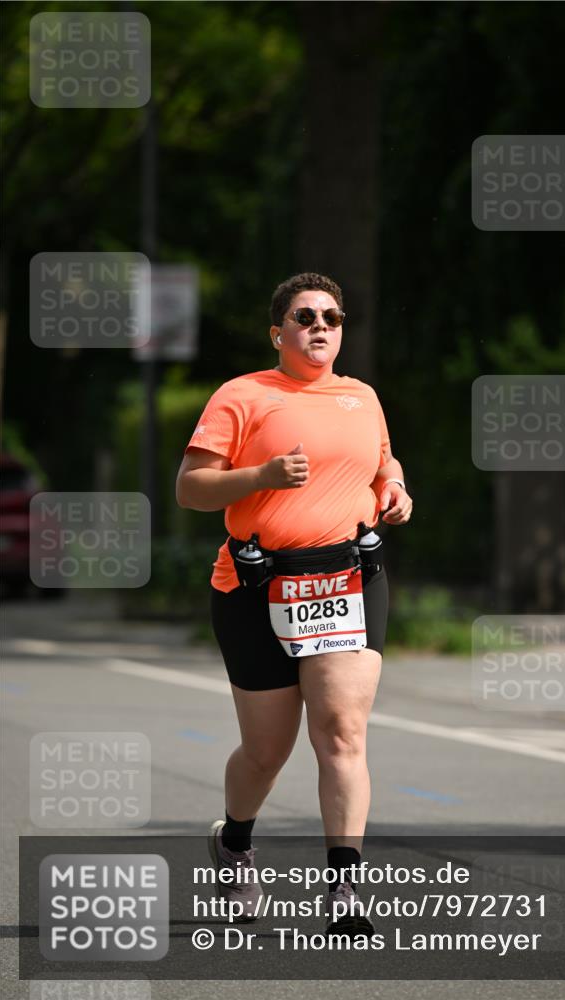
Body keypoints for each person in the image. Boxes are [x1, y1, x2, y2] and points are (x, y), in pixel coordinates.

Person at [176, 272, 412, 936]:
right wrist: (263, 476)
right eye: (305, 316)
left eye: (332, 317)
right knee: (265, 752)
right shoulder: (243, 395)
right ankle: (234, 841)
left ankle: (342, 893)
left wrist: (397, 491)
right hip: (256, 587)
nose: (320, 326)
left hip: (346, 581)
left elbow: (383, 464)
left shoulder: (360, 397)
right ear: (277, 331)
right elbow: (191, 489)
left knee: (341, 733)